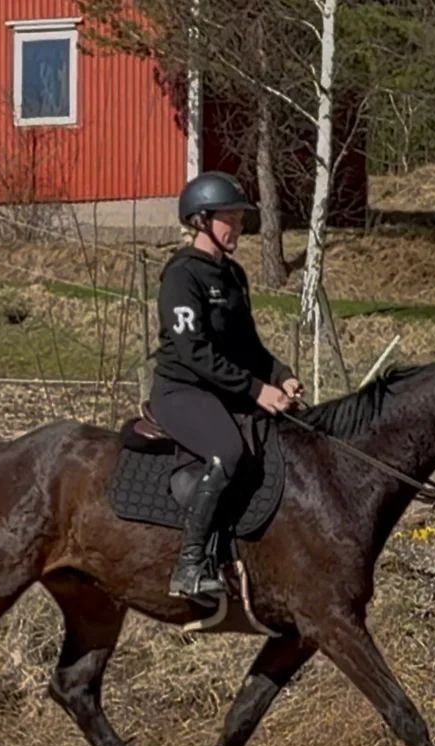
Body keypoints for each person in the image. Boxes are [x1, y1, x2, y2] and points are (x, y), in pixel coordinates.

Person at [150, 171, 304, 599]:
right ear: (201, 220)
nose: (238, 227)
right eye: (229, 219)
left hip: (224, 387)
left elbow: (248, 346)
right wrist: (255, 391)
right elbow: (194, 353)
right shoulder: (182, 276)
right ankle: (190, 565)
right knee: (228, 451)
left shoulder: (234, 275)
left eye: (240, 219)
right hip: (182, 390)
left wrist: (281, 375)